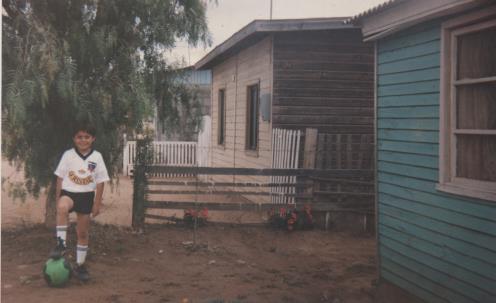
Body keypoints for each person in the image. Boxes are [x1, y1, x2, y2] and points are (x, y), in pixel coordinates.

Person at [50, 123, 110, 282]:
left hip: (86, 196)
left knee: (82, 233)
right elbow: (60, 177)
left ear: (93, 139)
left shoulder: (97, 157)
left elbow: (100, 182)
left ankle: (80, 265)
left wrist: (97, 204)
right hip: (69, 193)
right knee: (62, 207)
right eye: (79, 137)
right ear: (74, 138)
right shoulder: (68, 155)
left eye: (86, 137)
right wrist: (58, 199)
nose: (83, 140)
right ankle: (61, 245)